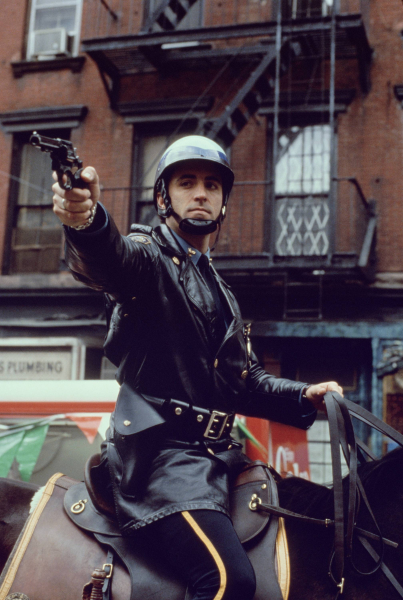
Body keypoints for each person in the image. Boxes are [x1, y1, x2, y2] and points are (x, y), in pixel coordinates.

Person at [52, 136, 343, 600]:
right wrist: (85, 220)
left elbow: (246, 382)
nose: (201, 193)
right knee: (228, 580)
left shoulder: (220, 288)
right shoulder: (149, 257)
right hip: (160, 460)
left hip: (216, 459)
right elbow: (110, 259)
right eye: (187, 183)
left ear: (224, 200)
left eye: (212, 185)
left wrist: (303, 395)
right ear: (163, 198)